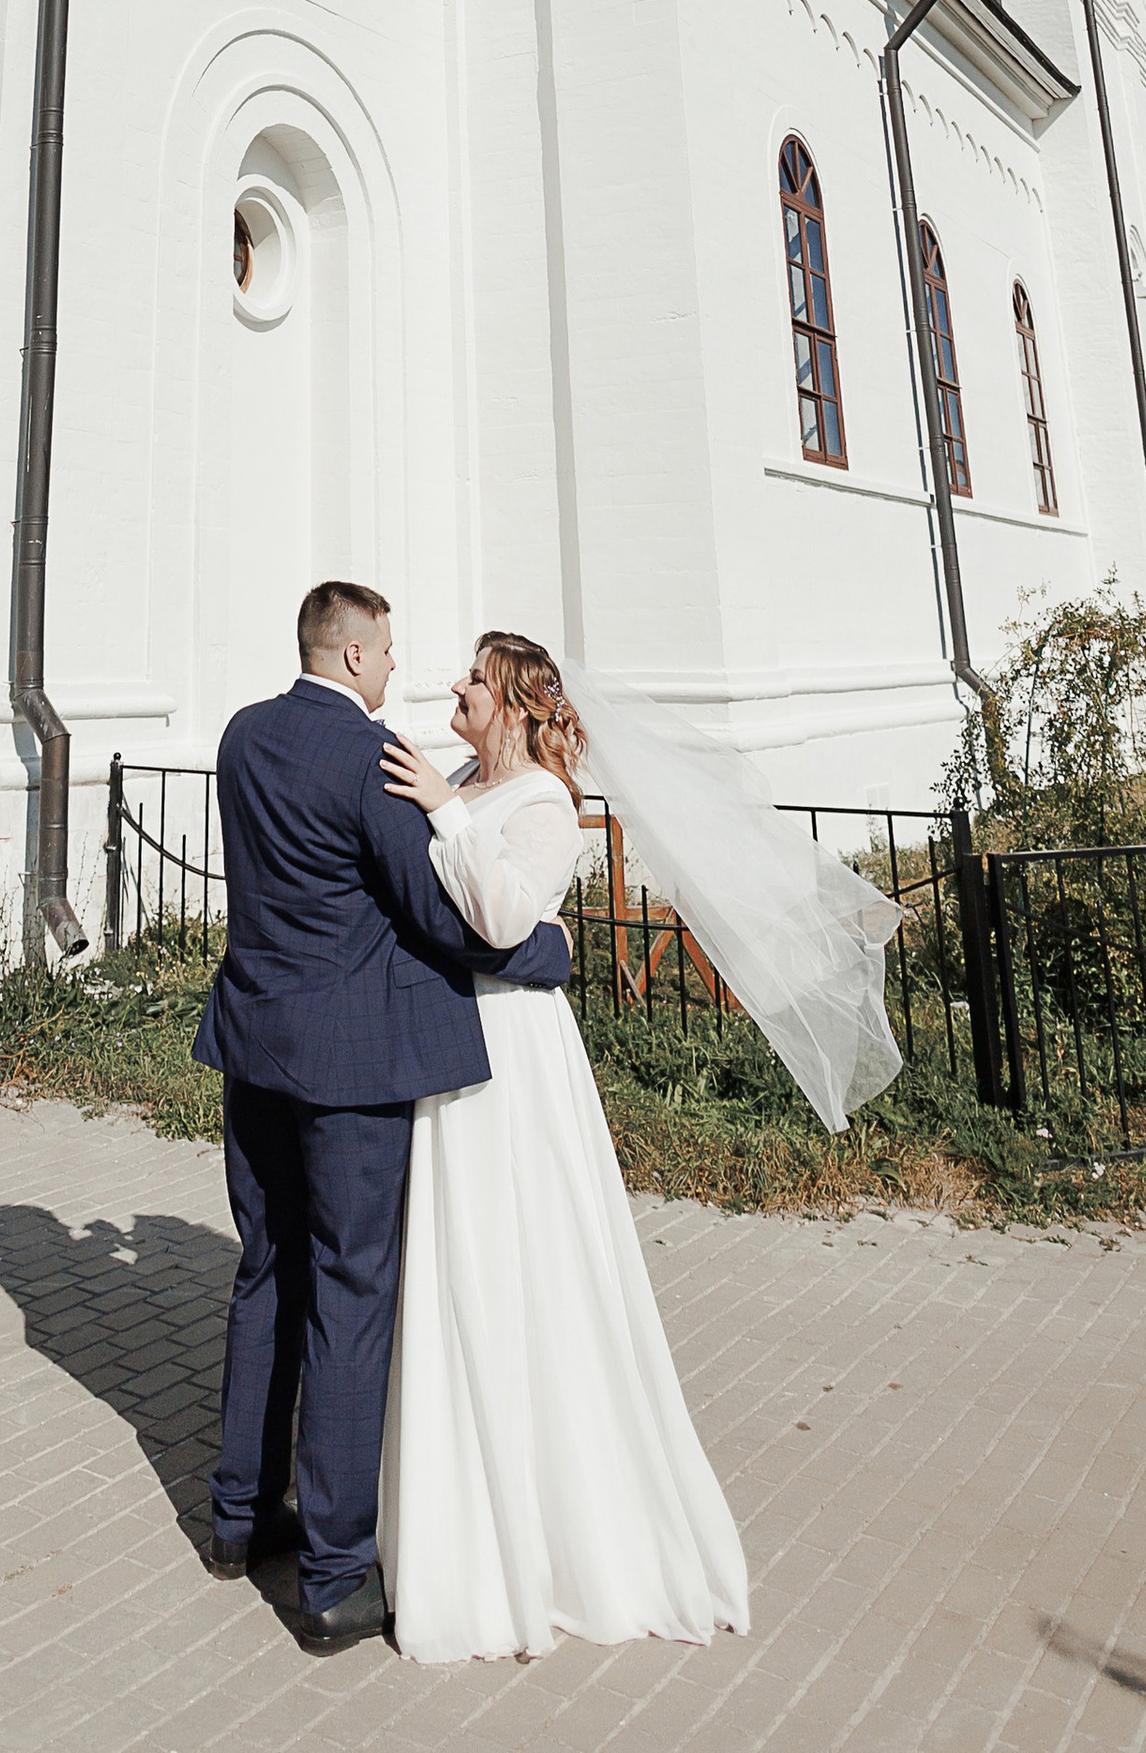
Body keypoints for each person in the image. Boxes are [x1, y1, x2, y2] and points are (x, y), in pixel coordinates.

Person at [191, 581, 575, 1653]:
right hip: (348, 1074)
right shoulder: (371, 763)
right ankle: (331, 1578)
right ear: (355, 657)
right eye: (392, 651)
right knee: (350, 1302)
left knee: (264, 1273)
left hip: (250, 1047)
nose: (401, 668)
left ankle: (236, 1520)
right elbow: (443, 918)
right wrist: (547, 951)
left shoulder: (242, 735)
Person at [375, 631, 754, 1664]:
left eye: (473, 681)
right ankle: (460, 1513)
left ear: (515, 706)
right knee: (457, 1267)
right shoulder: (459, 775)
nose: (454, 686)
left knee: (518, 1261)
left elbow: (500, 918)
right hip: (452, 1033)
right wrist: (443, 807)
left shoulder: (544, 801)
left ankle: (549, 1533)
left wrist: (448, 819)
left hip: (509, 1052)